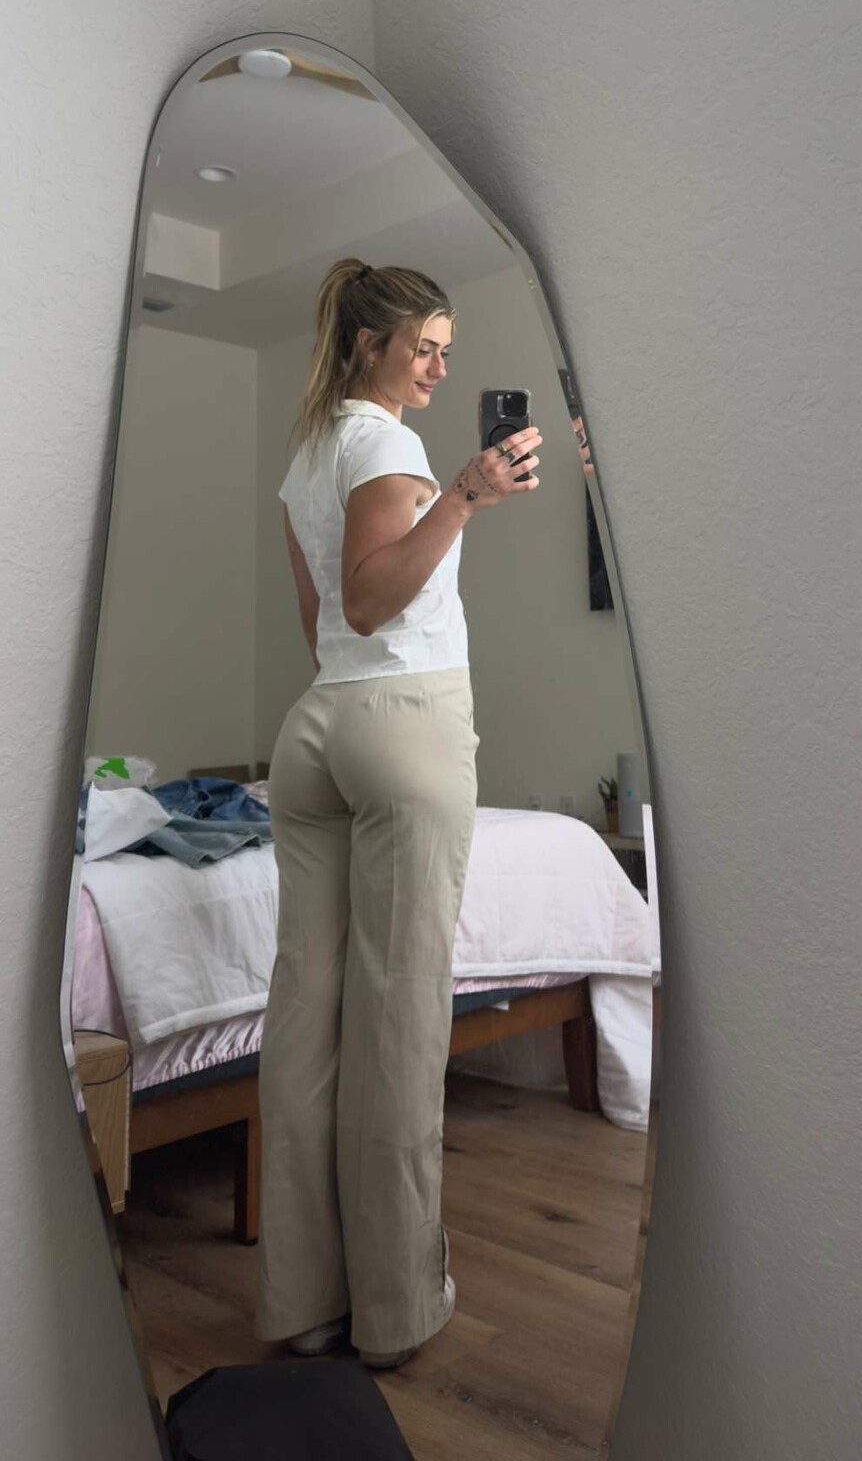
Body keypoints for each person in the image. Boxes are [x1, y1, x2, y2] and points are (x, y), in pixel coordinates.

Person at [255, 257, 541, 1367]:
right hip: (403, 721)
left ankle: (302, 1303)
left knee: (307, 1019)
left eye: (446, 352)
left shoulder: (307, 455)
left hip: (318, 729)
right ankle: (394, 1315)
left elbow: (320, 623)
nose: (436, 368)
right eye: (423, 347)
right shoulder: (385, 445)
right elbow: (372, 603)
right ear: (369, 344)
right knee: (400, 1024)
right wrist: (462, 496)